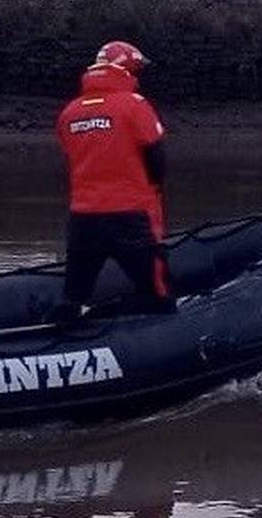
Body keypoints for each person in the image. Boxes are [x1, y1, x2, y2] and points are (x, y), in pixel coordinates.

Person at [52, 40, 174, 322]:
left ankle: (61, 339)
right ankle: (117, 321)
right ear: (127, 69)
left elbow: (71, 161)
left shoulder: (69, 112)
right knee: (158, 294)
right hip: (130, 215)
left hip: (83, 218)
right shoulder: (135, 106)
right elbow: (157, 161)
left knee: (73, 295)